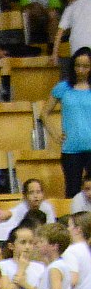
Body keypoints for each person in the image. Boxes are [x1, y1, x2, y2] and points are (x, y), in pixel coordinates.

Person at [53, 49, 91, 197]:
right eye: (77, 65)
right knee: (72, 190)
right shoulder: (63, 87)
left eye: (86, 66)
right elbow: (44, 113)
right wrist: (55, 134)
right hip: (71, 148)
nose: (80, 70)